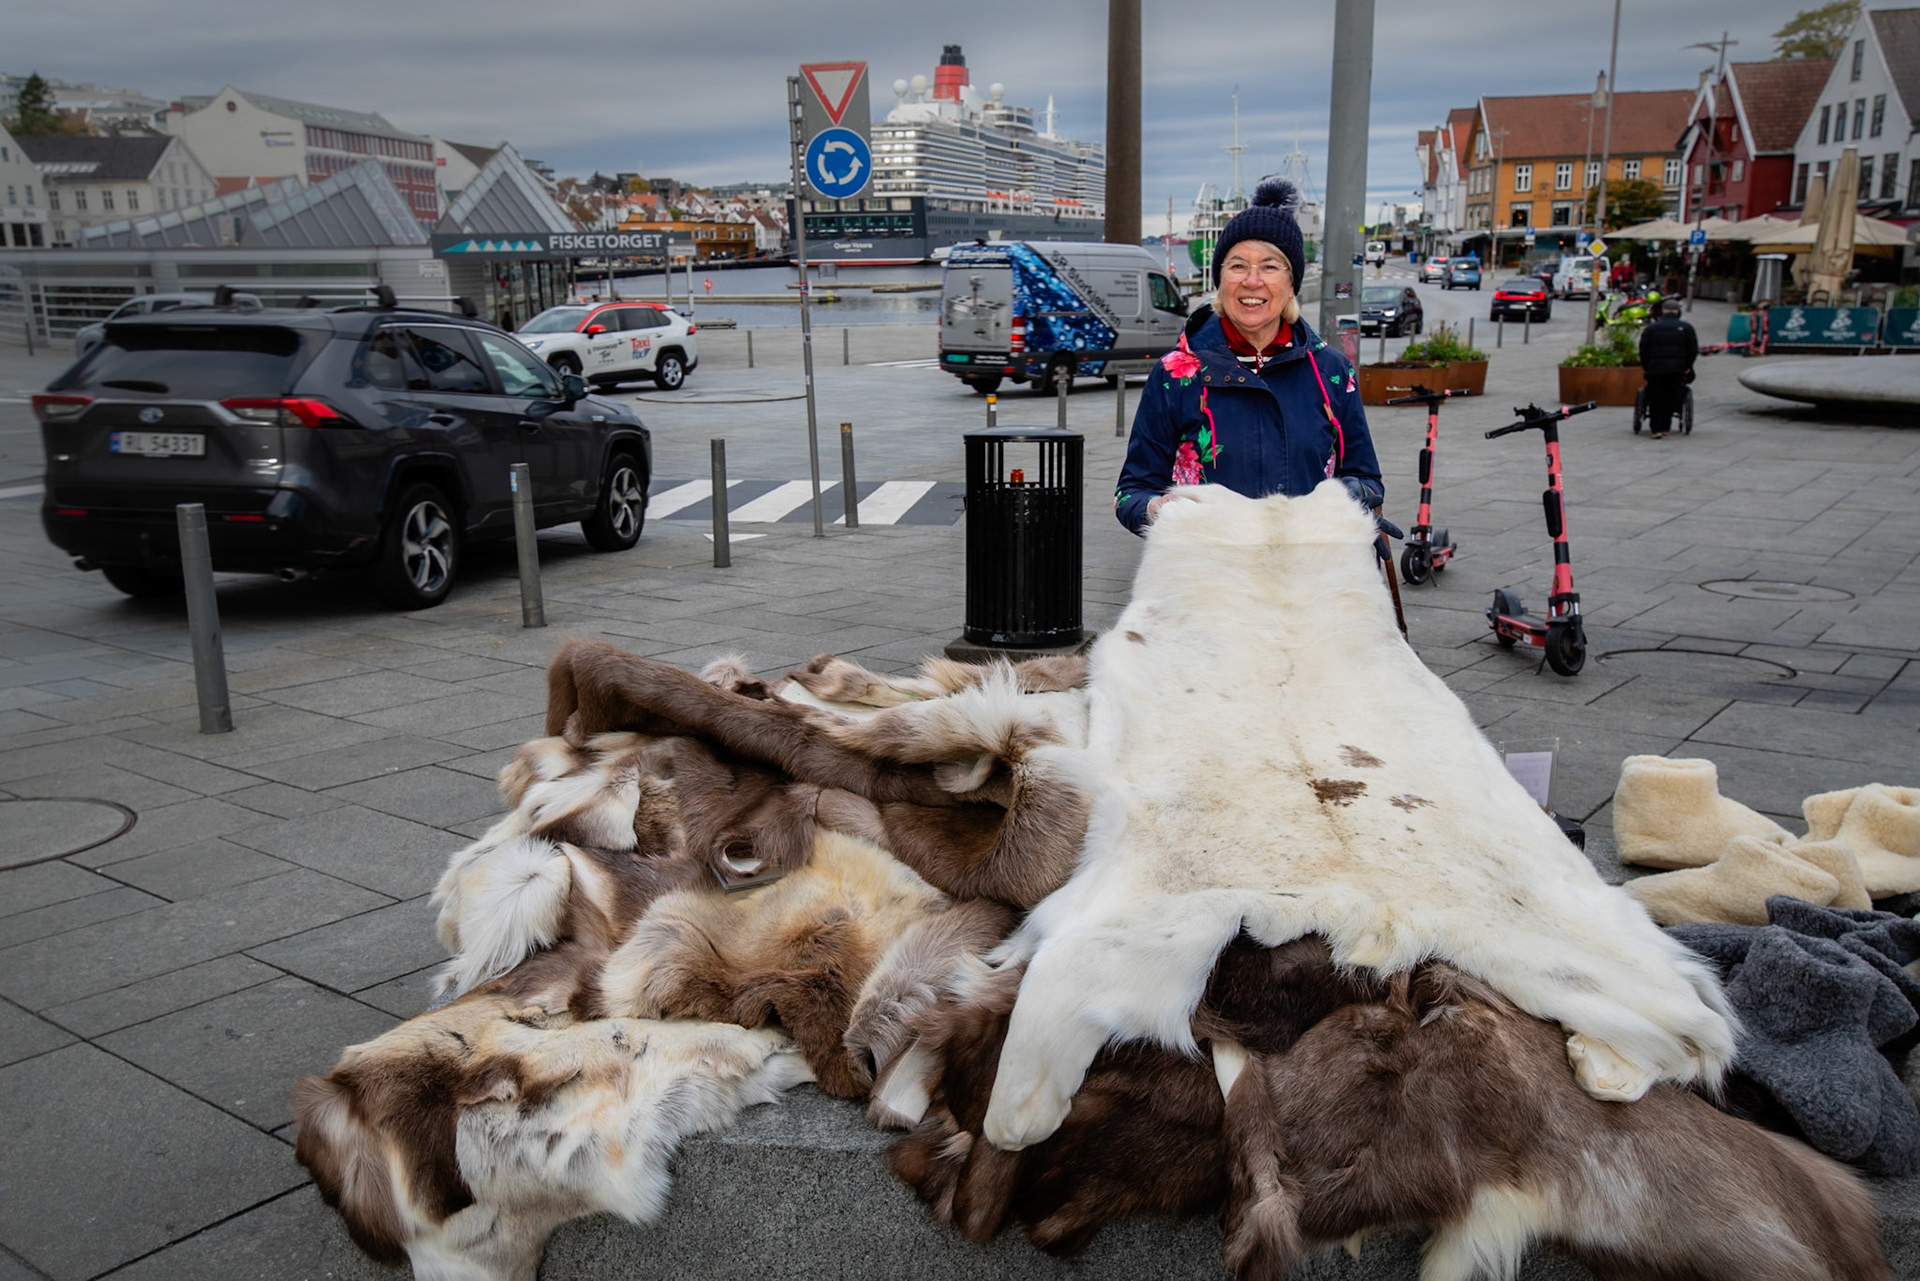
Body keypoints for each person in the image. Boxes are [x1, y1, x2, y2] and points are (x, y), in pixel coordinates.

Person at [1115, 176, 1383, 534]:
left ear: (1291, 285)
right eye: (1238, 265)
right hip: (1209, 576)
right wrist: (1157, 509)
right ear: (1220, 280)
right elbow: (1129, 493)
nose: (1252, 280)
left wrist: (1342, 496)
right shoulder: (1176, 374)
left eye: (1270, 266)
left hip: (1308, 574)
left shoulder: (1331, 372)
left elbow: (1367, 478)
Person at [1637, 300, 1698, 439]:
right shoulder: (1687, 328)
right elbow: (1693, 350)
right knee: (1672, 395)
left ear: (1663, 311)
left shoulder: (1652, 328)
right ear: (1677, 311)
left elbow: (1643, 349)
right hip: (1677, 370)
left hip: (1655, 369)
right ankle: (1666, 426)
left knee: (1655, 397)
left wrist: (1646, 367)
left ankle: (1656, 429)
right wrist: (1687, 366)